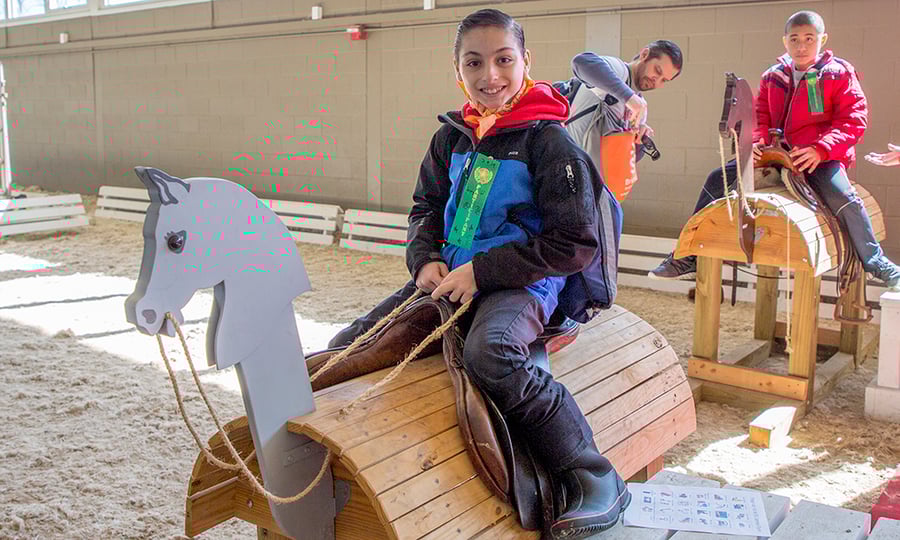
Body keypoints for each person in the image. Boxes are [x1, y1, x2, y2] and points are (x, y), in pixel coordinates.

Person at [327, 8, 629, 538]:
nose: (490, 75)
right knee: (357, 341)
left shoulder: (550, 143)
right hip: (449, 274)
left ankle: (591, 473)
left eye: (503, 60)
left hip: (522, 281)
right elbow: (424, 207)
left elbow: (574, 242)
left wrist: (483, 271)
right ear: (457, 70)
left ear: (525, 61)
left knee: (491, 354)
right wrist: (425, 259)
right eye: (475, 63)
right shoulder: (450, 138)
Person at [648, 10, 900, 291]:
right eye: (794, 39)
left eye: (809, 39)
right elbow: (760, 117)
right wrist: (755, 143)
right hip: (773, 153)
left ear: (822, 39)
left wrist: (820, 149)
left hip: (815, 157)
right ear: (784, 41)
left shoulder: (839, 73)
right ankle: (687, 255)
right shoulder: (773, 76)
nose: (801, 46)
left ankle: (876, 261)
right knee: (716, 179)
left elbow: (853, 119)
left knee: (842, 196)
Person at [563, 41, 683, 177]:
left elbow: (626, 160)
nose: (657, 81)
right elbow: (581, 62)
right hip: (569, 173)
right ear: (645, 54)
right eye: (657, 71)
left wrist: (638, 142)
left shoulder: (640, 106)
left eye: (664, 80)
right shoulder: (618, 70)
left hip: (596, 185)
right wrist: (628, 97)